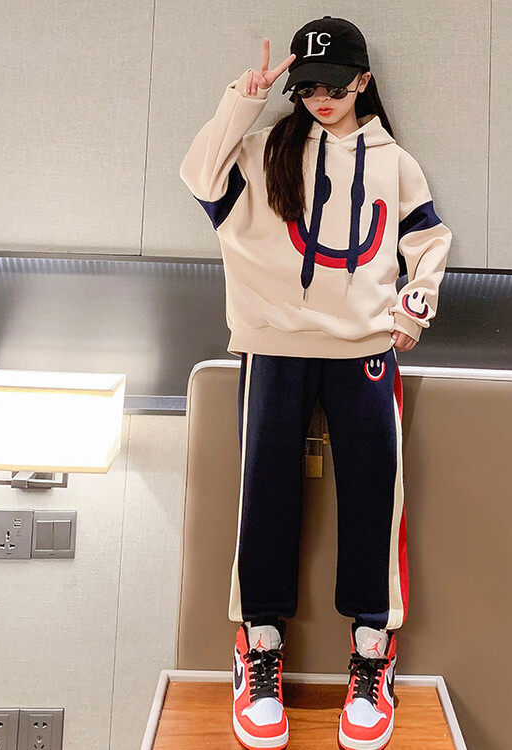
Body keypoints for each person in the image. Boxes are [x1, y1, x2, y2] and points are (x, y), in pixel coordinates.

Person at [179, 15, 452, 750]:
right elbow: (198, 175)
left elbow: (427, 238)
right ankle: (258, 647)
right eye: (306, 87)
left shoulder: (395, 163)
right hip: (272, 344)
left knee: (375, 494)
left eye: (334, 84)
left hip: (364, 348)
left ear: (364, 80)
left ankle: (373, 652)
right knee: (264, 492)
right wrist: (244, 99)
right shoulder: (264, 148)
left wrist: (413, 307)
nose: (320, 98)